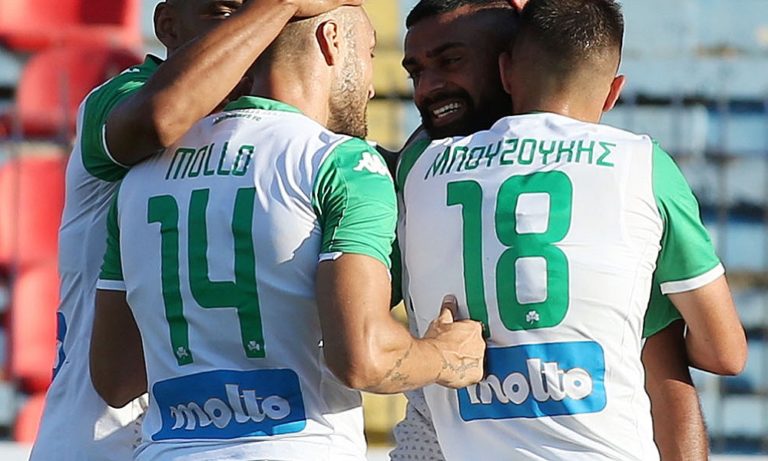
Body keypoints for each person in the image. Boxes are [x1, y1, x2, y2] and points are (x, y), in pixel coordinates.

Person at [89, 6, 485, 460]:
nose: (373, 87)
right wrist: (443, 356)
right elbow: (364, 358)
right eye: (370, 53)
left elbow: (116, 378)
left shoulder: (140, 177)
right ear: (332, 40)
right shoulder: (341, 162)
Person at [394, 0, 747, 459]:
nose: (428, 87)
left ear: (505, 71)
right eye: (416, 73)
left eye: (451, 61)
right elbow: (724, 353)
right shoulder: (638, 169)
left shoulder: (418, 170)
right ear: (613, 92)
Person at [30, 1, 364, 460]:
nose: (255, 30)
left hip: (206, 440)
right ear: (167, 25)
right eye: (227, 12)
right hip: (99, 440)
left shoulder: (281, 144)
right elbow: (158, 118)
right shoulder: (123, 96)